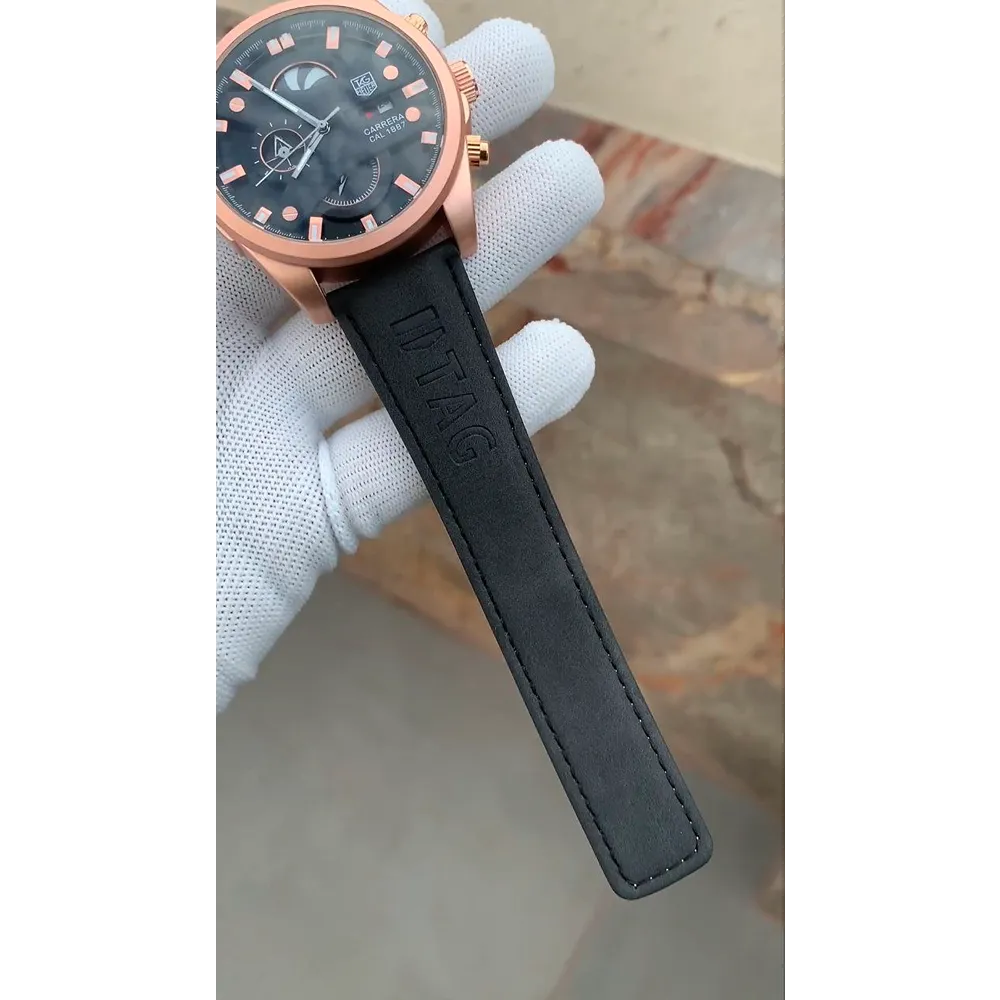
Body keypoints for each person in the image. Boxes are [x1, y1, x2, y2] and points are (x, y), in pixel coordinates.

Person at [216, 3, 605, 712]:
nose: (321, 129)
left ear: (455, 90)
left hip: (412, 202)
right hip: (332, 242)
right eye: (300, 130)